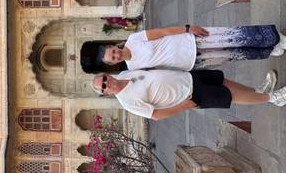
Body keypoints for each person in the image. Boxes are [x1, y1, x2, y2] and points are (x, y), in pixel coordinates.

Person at [99, 24, 285, 93]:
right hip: (190, 62)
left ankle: (276, 38)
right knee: (232, 54)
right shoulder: (133, 68)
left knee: (233, 36)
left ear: (115, 47)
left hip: (189, 40)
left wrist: (188, 28)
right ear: (114, 63)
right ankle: (269, 50)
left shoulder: (134, 39)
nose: (116, 55)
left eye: (113, 51)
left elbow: (162, 32)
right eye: (113, 58)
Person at [92, 69, 286, 121]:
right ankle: (273, 99)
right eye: (103, 86)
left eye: (104, 79)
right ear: (105, 93)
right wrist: (183, 106)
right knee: (229, 95)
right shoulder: (127, 102)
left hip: (188, 78)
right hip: (188, 96)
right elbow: (156, 115)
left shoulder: (124, 74)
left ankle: (259, 91)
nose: (107, 82)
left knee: (224, 82)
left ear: (107, 75)